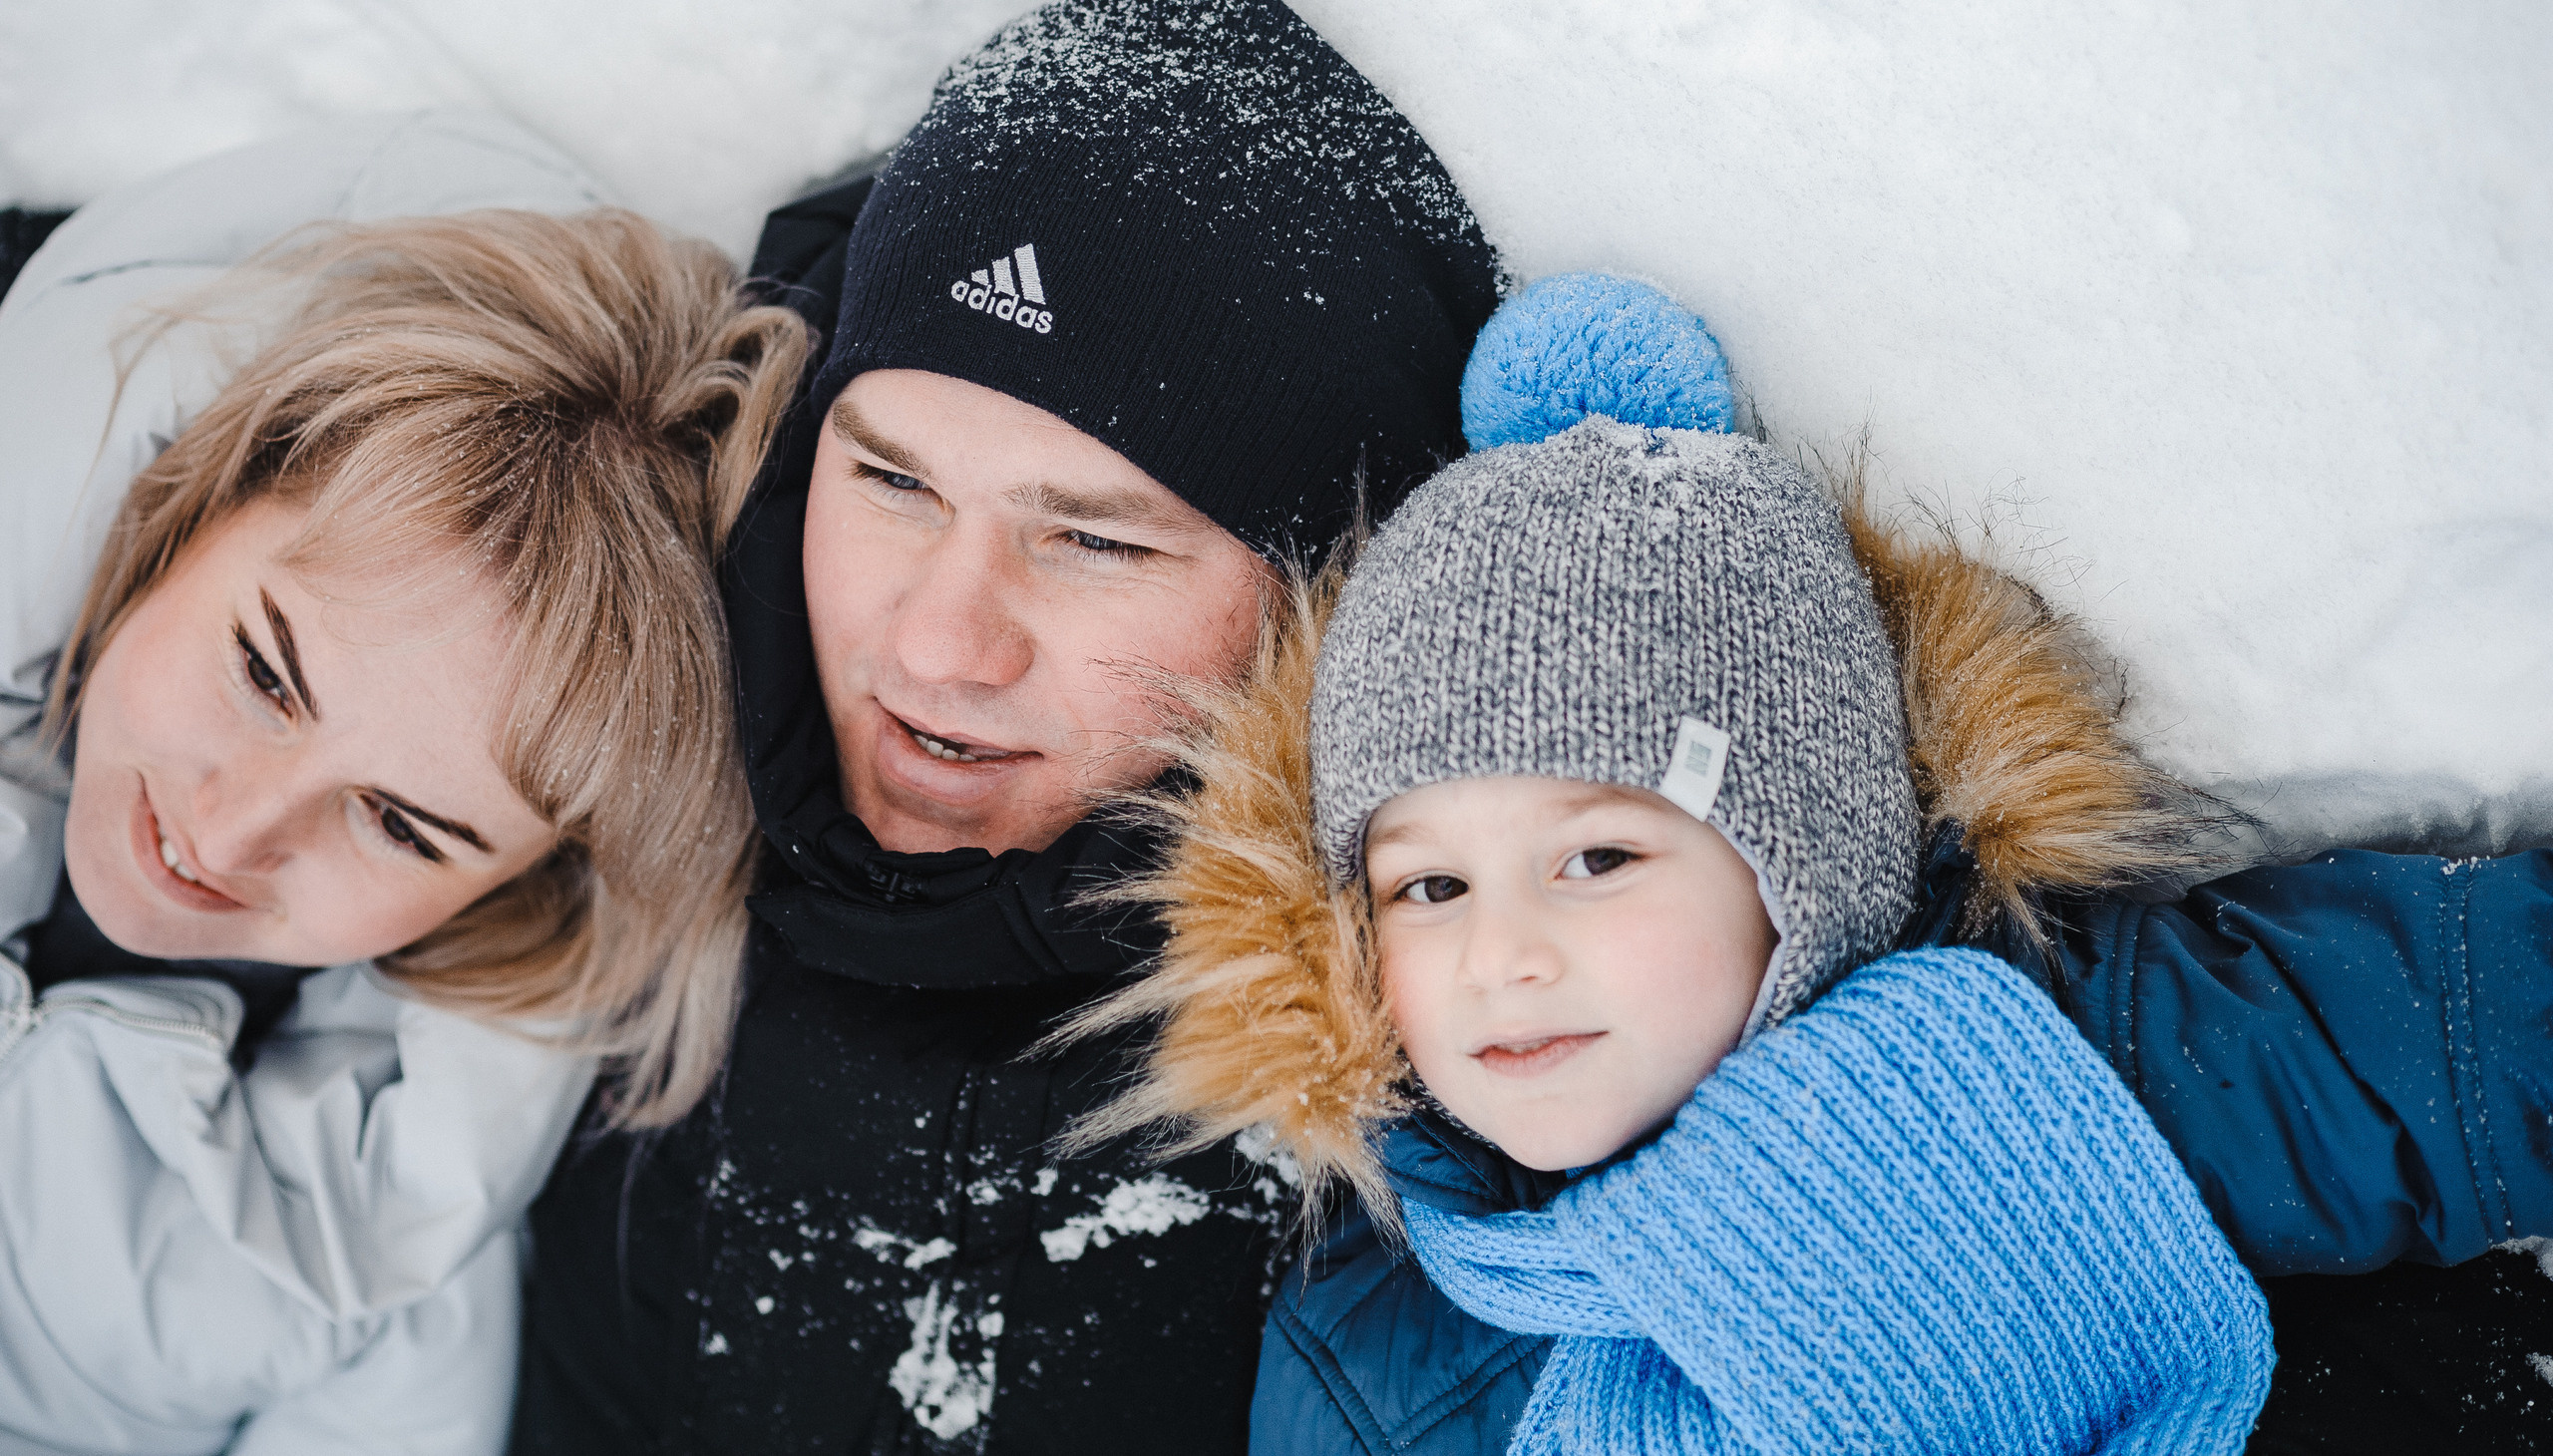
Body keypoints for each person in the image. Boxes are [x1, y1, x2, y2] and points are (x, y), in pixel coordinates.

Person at [1069, 274, 2553, 1452]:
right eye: (1430, 886)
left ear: (1805, 867)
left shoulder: (2096, 1062)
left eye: (1596, 856)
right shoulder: (1379, 1347)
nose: (1499, 953)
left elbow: (2498, 1027)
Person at [506, 2, 1500, 1451]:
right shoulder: (591, 784)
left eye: (1094, 543)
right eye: (892, 483)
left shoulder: (1486, 1047)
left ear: (1318, 596)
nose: (932, 645)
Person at [0, 113, 808, 1452]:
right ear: (184, 505)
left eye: (402, 824)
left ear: (523, 886)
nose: (233, 827)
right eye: (265, 672)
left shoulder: (386, 1252)